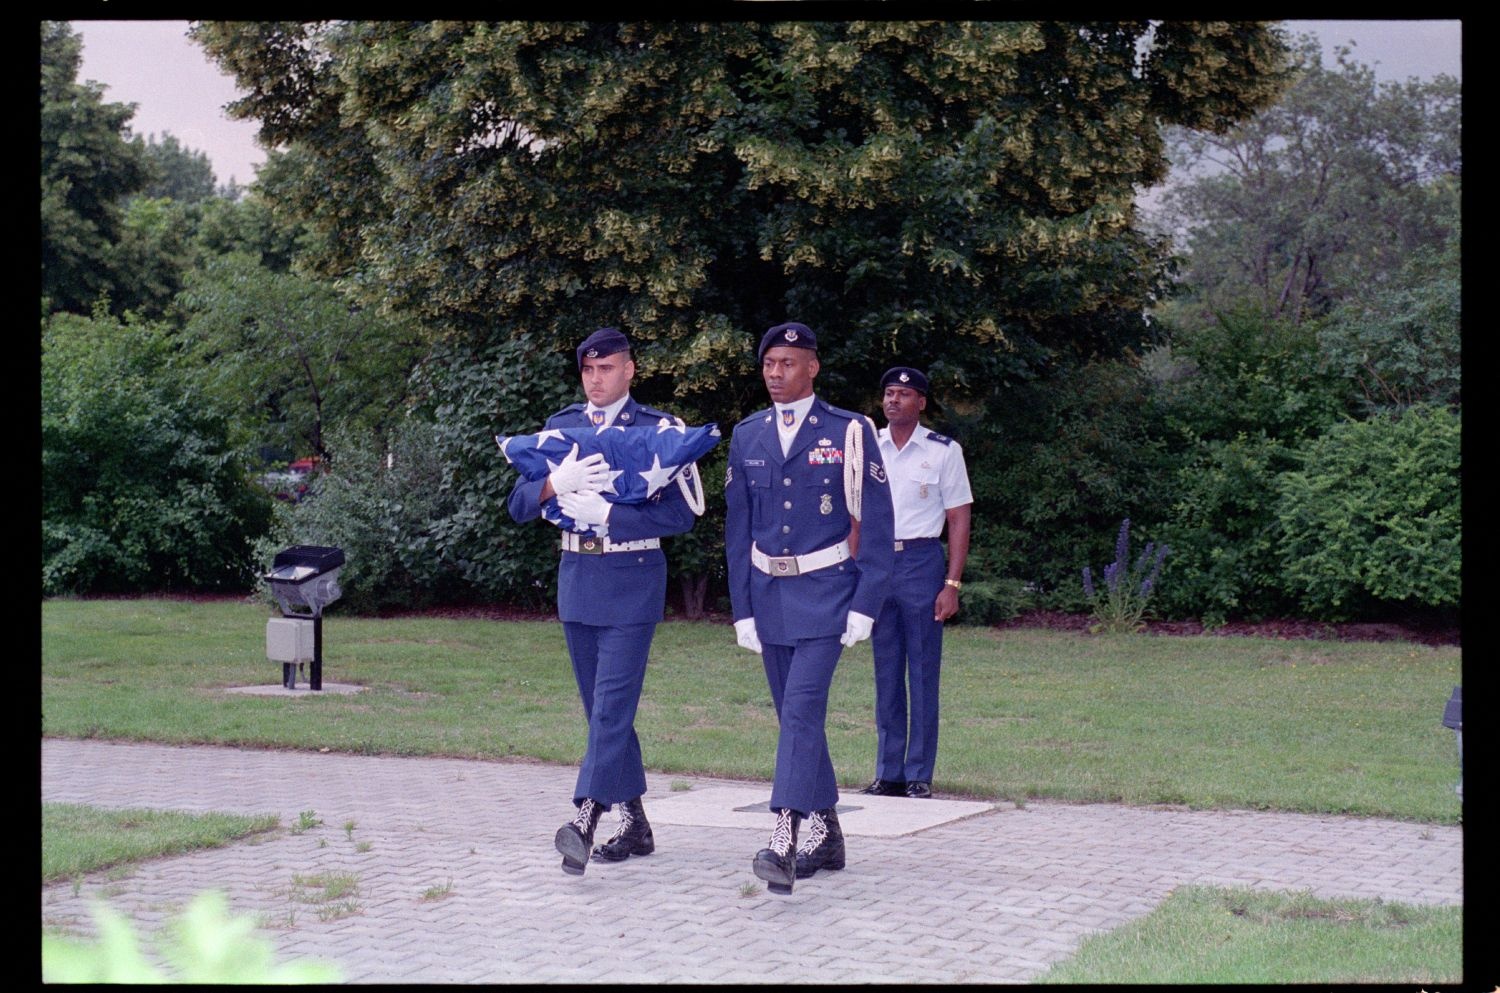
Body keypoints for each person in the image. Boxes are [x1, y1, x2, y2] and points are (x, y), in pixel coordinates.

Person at [506, 327, 700, 875]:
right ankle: (635, 821)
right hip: (578, 575)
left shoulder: (660, 431)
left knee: (611, 707)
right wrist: (551, 484)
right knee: (602, 712)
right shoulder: (560, 429)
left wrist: (613, 515)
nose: (596, 379)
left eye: (607, 368)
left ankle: (586, 820)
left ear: (630, 370)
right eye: (589, 370)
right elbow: (519, 505)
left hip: (633, 575)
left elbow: (682, 515)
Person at [724, 322, 895, 894]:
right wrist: (741, 608)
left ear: (813, 367)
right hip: (769, 597)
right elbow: (738, 528)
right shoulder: (748, 435)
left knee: (800, 713)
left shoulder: (848, 431)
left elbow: (877, 518)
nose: (776, 373)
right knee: (795, 720)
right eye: (769, 363)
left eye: (788, 363)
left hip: (827, 595)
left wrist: (866, 601)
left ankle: (782, 839)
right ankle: (829, 830)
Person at [858, 366, 972, 800]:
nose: (893, 401)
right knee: (886, 670)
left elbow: (959, 518)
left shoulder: (943, 451)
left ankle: (919, 772)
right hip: (878, 561)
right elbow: (854, 511)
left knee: (922, 669)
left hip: (922, 562)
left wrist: (952, 583)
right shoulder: (870, 448)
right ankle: (888, 771)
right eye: (888, 393)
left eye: (903, 395)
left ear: (920, 403)